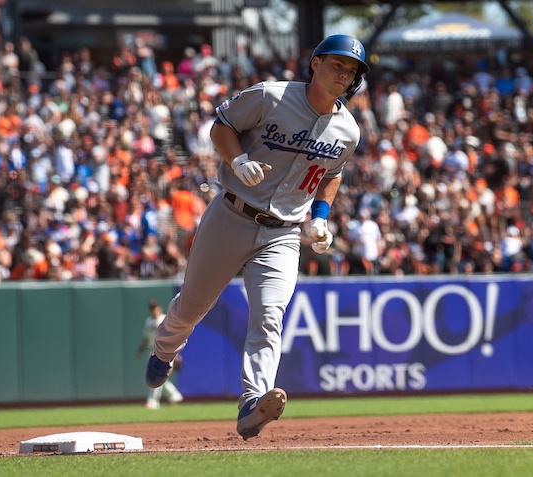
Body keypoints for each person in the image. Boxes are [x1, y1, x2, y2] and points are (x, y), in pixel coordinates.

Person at [145, 34, 369, 439]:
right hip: (232, 213)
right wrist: (239, 158)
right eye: (338, 64)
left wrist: (319, 216)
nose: (345, 74)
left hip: (283, 233)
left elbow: (332, 174)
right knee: (193, 306)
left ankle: (253, 403)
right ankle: (164, 349)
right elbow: (222, 127)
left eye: (352, 70)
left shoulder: (348, 130)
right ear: (316, 64)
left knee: (269, 317)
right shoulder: (271, 96)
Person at [137, 300, 184, 409]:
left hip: (163, 351)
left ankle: (153, 402)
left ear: (160, 308)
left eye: (155, 307)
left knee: (155, 375)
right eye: (152, 308)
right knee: (159, 376)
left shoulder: (164, 319)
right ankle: (175, 395)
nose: (154, 310)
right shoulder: (148, 321)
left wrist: (176, 353)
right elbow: (146, 339)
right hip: (151, 351)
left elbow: (173, 335)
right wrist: (140, 350)